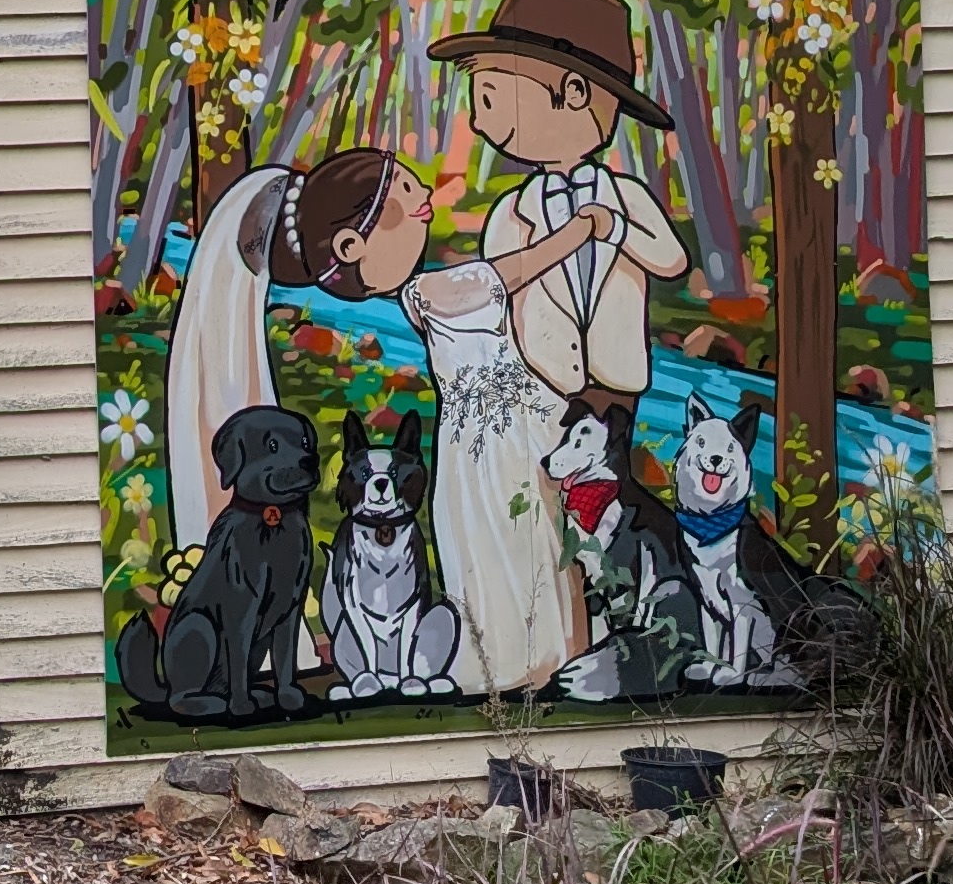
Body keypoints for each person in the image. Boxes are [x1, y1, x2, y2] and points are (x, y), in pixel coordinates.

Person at [180, 144, 628, 700]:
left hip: (500, 430)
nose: (424, 201)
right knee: (514, 539)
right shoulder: (435, 291)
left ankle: (549, 653)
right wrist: (583, 230)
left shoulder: (425, 294)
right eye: (404, 196)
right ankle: (527, 658)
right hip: (492, 440)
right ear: (353, 245)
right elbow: (520, 268)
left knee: (537, 536)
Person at [434, 0, 690, 408]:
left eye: (492, 98)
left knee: (611, 472)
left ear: (574, 92)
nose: (478, 122)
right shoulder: (513, 210)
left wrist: (614, 228)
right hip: (542, 380)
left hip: (618, 379)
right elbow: (497, 287)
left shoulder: (626, 197)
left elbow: (672, 260)